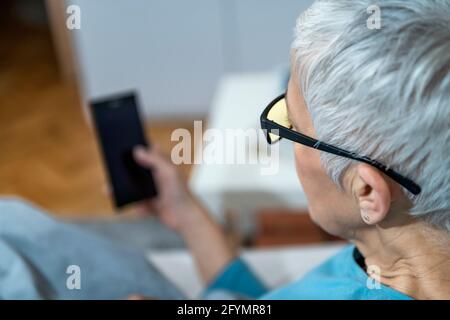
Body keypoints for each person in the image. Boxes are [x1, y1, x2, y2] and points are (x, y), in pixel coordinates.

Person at [0, 0, 449, 300]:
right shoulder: (382, 253)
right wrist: (189, 215)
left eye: (290, 125)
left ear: (368, 193)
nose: (283, 134)